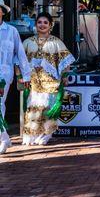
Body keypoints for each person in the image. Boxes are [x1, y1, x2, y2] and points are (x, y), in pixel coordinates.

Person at [22, 13, 75, 145]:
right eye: (39, 22)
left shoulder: (56, 42)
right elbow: (20, 61)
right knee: (32, 109)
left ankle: (45, 136)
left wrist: (65, 76)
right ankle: (31, 136)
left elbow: (66, 61)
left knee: (48, 108)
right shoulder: (27, 42)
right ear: (35, 25)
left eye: (45, 22)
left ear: (50, 25)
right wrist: (20, 77)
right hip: (33, 83)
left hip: (51, 83)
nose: (42, 25)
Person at [0, 0, 31, 154]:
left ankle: (3, 139)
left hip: (4, 74)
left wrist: (26, 75)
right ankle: (4, 137)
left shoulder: (11, 31)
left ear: (2, 12)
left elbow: (19, 53)